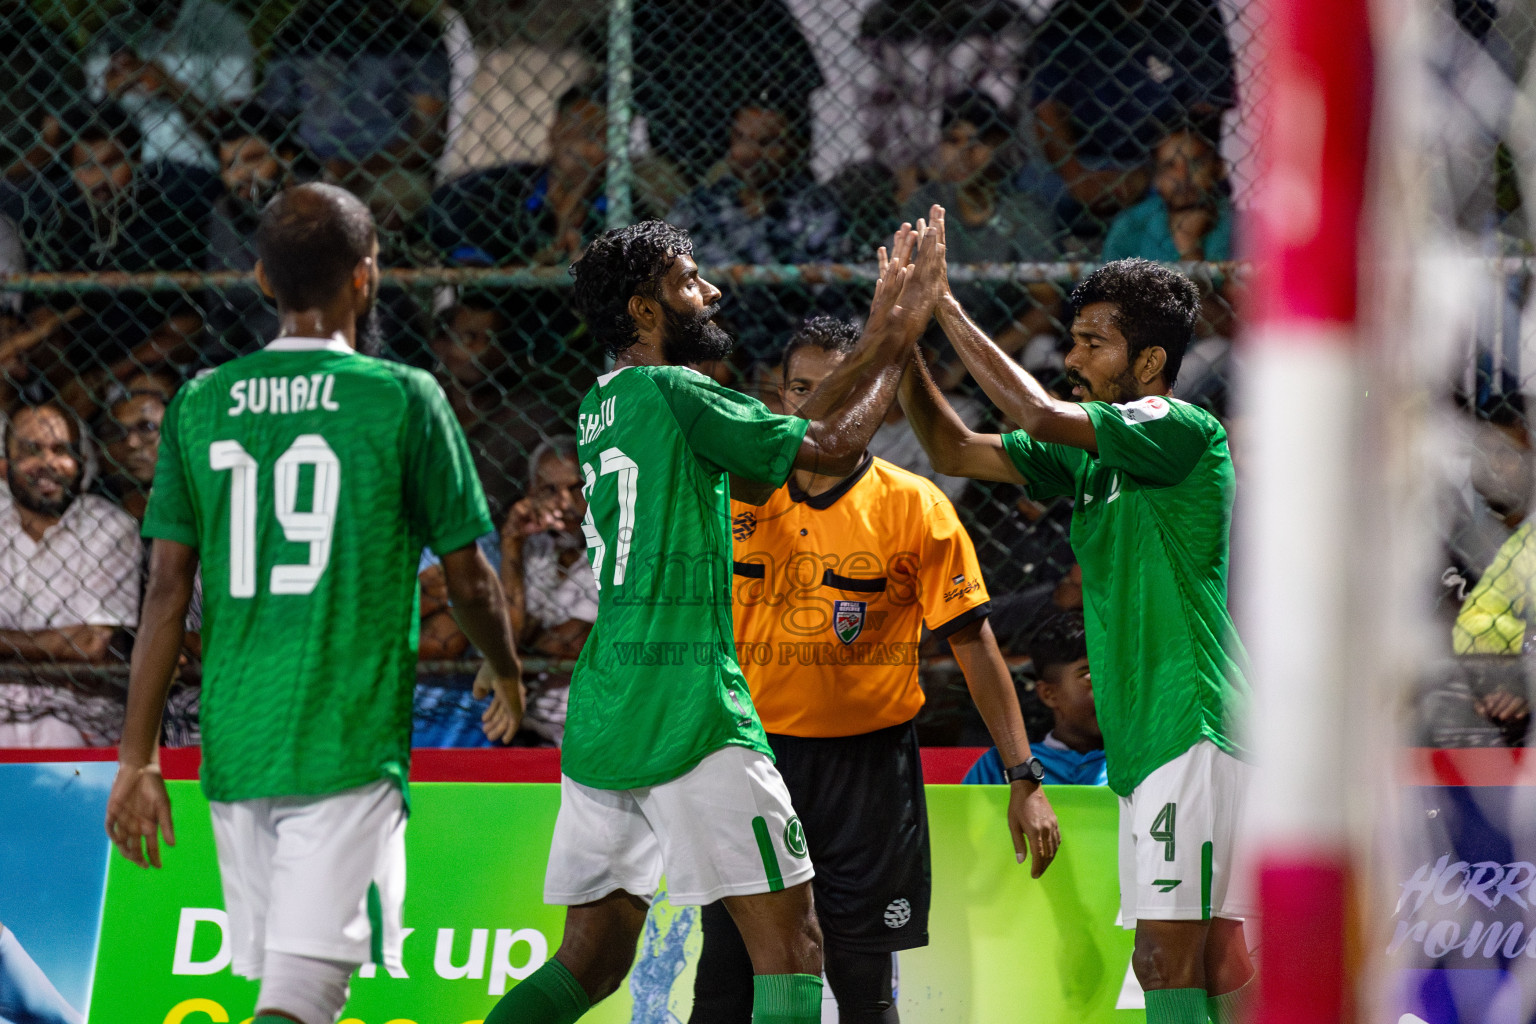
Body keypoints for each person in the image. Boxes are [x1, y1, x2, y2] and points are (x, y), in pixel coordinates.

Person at [479, 211, 946, 1024]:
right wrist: (897, 333)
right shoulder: (677, 390)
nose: (712, 290)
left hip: (605, 707)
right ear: (645, 310)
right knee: (794, 944)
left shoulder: (605, 407)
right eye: (690, 280)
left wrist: (875, 341)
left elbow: (783, 461)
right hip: (690, 705)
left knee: (589, 961)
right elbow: (833, 446)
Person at [103, 183, 525, 1024]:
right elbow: (471, 579)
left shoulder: (199, 401)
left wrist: (136, 758)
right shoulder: (404, 398)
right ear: (367, 277)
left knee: (294, 994)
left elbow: (165, 591)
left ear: (260, 278)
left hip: (237, 742)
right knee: (301, 998)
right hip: (342, 737)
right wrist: (506, 674)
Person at [898, 252, 1254, 1023]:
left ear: (1150, 360)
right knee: (1216, 962)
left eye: (1094, 342)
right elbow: (956, 450)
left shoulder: (1177, 425)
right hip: (1153, 732)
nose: (1072, 358)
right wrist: (901, 344)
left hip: (1189, 722)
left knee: (1165, 960)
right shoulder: (1098, 459)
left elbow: (1030, 414)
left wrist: (946, 309)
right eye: (1073, 339)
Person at [691, 315, 1059, 1024]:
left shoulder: (917, 506)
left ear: (877, 399)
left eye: (841, 388)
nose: (818, 406)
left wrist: (1024, 777)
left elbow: (976, 648)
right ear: (779, 398)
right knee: (725, 983)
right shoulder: (729, 493)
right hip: (749, 763)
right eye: (802, 389)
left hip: (869, 775)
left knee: (865, 988)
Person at [0, 401, 141, 746]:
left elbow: (91, 644)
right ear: (4, 464)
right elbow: (70, 644)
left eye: (60, 450)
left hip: (78, 728)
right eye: (31, 451)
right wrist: (52, 644)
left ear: (81, 462)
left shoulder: (110, 528)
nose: (47, 464)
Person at [1028, 0, 1236, 228]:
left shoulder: (1194, 12)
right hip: (1086, 161)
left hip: (1165, 164)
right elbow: (1047, 110)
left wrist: (1152, 173)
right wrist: (1077, 176)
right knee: (1031, 187)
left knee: (1197, 187)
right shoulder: (1068, 15)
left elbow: (1205, 117)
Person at [499, 436, 597, 747]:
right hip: (528, 727)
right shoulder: (533, 548)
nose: (565, 503)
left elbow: (574, 641)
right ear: (531, 494)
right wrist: (512, 546)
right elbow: (505, 634)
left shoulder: (616, 550)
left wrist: (510, 650)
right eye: (550, 491)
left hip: (588, 726)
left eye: (576, 488)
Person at [964, 610, 1106, 786]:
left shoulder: (1139, 768)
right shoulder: (999, 767)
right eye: (1092, 679)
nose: (1110, 693)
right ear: (1049, 694)